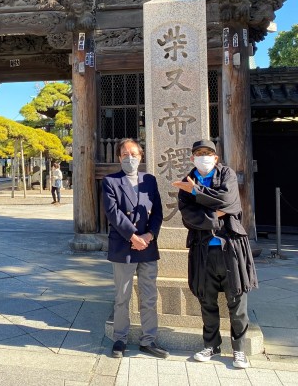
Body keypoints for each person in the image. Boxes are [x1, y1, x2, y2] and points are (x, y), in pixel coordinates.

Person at [173, 139, 257, 369]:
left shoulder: (226, 174)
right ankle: (211, 345)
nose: (204, 157)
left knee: (237, 301)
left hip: (231, 248)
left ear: (215, 157)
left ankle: (239, 350)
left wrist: (197, 192)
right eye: (199, 153)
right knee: (207, 300)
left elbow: (229, 201)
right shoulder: (186, 182)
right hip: (203, 250)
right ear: (192, 158)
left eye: (208, 153)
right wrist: (216, 213)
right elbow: (189, 217)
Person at [102, 138, 168, 359]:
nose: (129, 158)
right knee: (122, 297)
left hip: (147, 246)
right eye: (125, 154)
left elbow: (157, 212)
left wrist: (149, 235)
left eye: (133, 154)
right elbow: (113, 213)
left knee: (149, 296)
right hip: (124, 246)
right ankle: (120, 338)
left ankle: (148, 339)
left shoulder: (149, 180)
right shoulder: (110, 181)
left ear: (141, 156)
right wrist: (132, 236)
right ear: (119, 157)